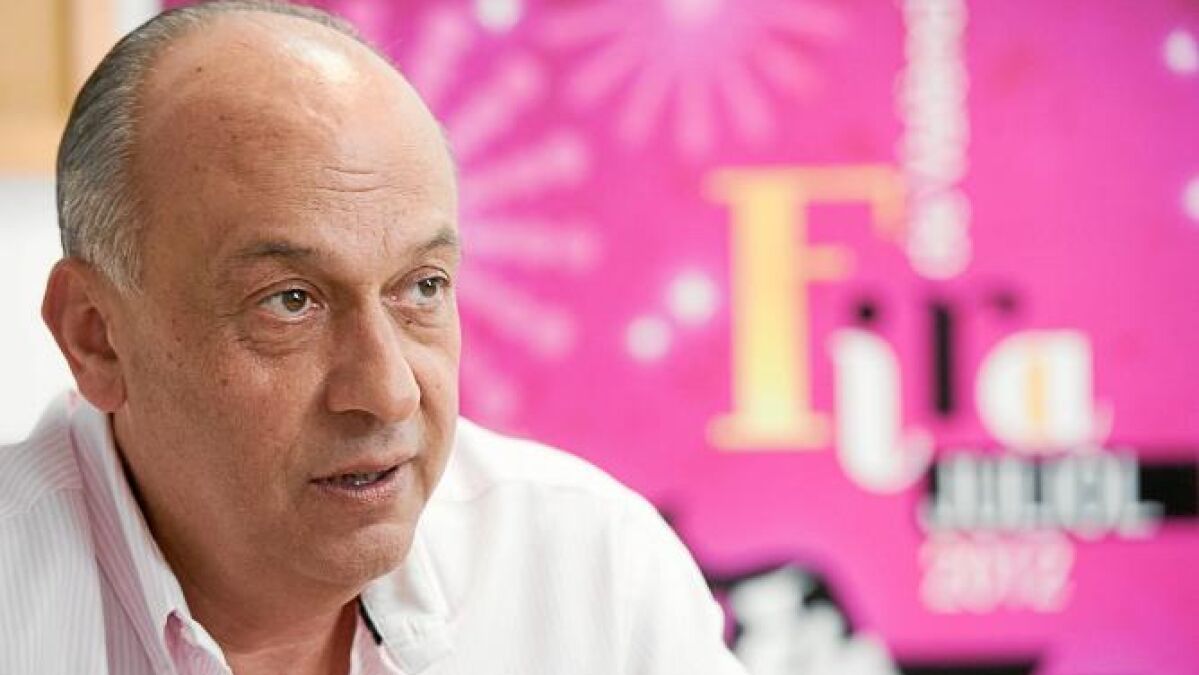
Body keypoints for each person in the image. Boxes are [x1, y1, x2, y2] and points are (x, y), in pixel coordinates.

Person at [0, 2, 748, 674]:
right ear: (96, 336)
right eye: (290, 302)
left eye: (422, 287)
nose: (389, 392)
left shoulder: (590, 569)